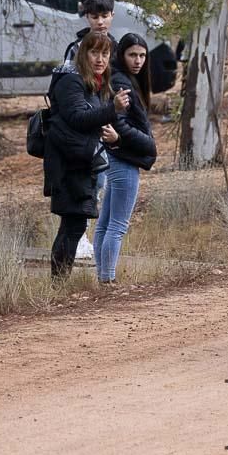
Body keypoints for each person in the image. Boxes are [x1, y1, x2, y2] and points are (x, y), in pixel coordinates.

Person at [44, 32, 130, 279]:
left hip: (82, 163)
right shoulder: (71, 81)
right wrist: (111, 109)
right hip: (69, 164)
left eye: (105, 54)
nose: (100, 59)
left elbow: (90, 121)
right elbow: (78, 119)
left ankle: (59, 286)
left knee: (75, 223)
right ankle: (57, 286)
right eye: (95, 53)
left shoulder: (92, 82)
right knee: (72, 224)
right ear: (83, 54)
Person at [93, 33, 157, 284]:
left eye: (142, 55)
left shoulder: (123, 78)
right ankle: (107, 280)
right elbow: (118, 122)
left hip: (119, 156)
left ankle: (102, 278)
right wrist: (148, 144)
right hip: (123, 159)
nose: (138, 60)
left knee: (106, 222)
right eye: (132, 55)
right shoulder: (122, 82)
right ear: (122, 55)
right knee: (117, 225)